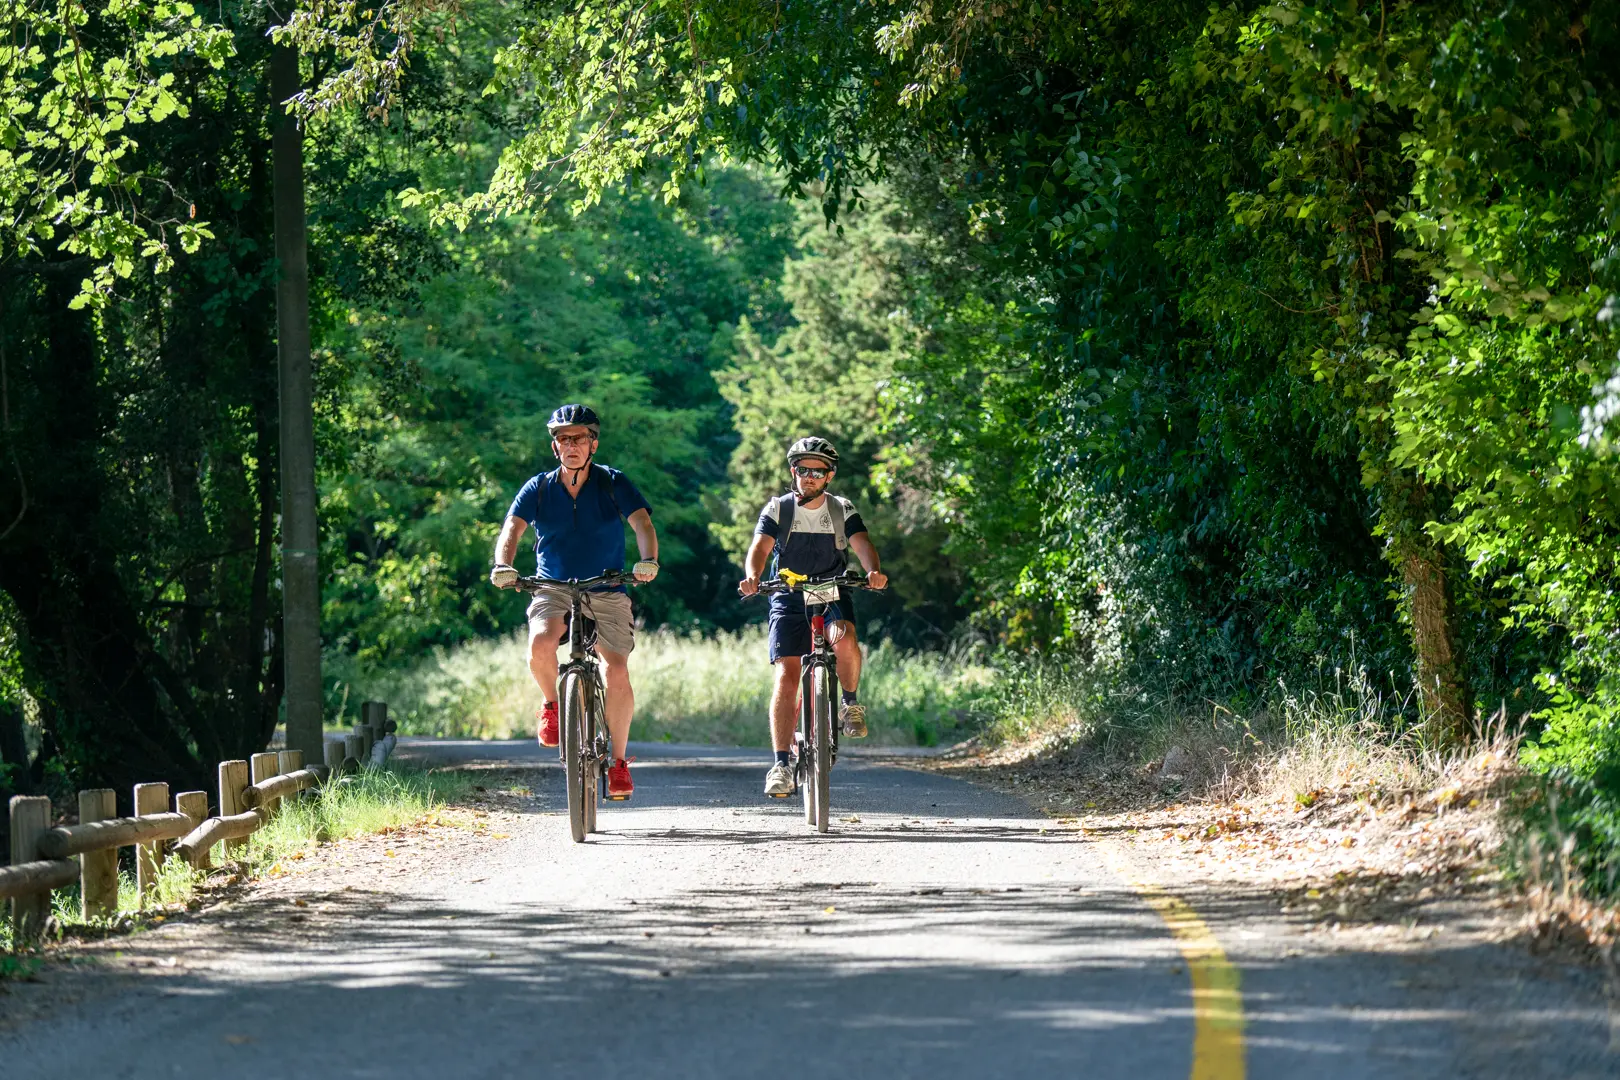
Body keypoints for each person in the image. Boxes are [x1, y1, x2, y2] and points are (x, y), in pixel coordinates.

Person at [489, 404, 660, 800]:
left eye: (579, 438)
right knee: (540, 641)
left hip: (606, 585)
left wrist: (648, 561)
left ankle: (618, 764)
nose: (571, 445)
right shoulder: (538, 487)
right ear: (555, 447)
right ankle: (552, 705)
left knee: (615, 668)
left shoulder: (613, 482)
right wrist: (503, 564)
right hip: (552, 585)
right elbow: (511, 531)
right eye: (563, 439)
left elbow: (642, 525)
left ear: (593, 444)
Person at [738, 436, 888, 797]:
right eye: (803, 469)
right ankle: (781, 763)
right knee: (787, 673)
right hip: (787, 594)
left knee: (846, 640)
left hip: (830, 590)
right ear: (794, 471)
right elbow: (759, 548)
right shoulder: (779, 509)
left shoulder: (841, 509)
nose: (809, 476)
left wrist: (874, 571)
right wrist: (753, 576)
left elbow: (862, 544)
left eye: (817, 471)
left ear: (829, 476)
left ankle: (850, 704)